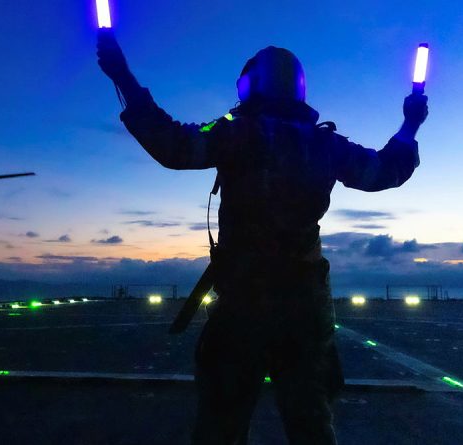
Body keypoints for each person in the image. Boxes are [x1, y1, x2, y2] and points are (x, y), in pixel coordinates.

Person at [97, 30, 428, 445]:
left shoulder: (238, 133)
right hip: (306, 307)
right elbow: (383, 171)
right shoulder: (325, 144)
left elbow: (173, 145)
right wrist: (410, 123)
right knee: (312, 424)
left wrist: (122, 75)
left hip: (244, 304)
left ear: (251, 84)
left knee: (222, 424)